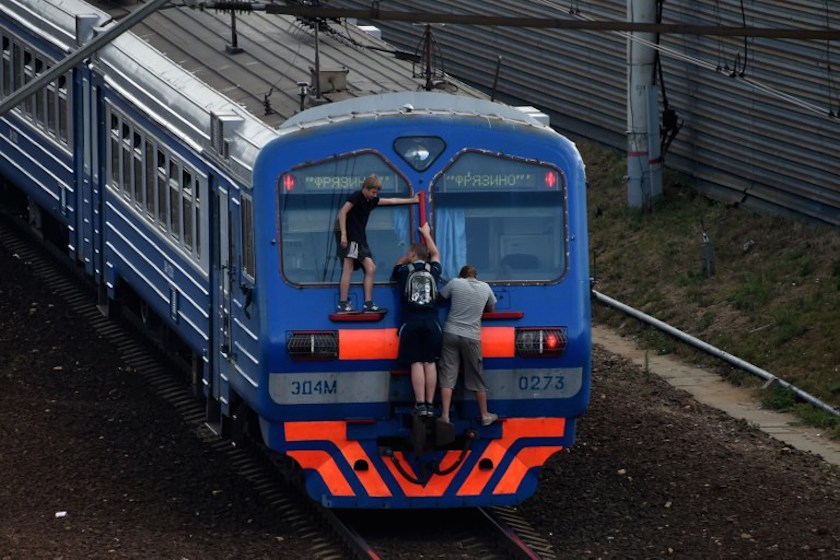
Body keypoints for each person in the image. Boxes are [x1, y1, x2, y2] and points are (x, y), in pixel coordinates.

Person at [336, 174, 418, 312]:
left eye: (376, 192)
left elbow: (391, 201)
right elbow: (342, 212)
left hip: (361, 240)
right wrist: (344, 235)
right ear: (366, 189)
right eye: (373, 192)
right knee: (349, 268)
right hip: (353, 239)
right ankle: (344, 303)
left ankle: (367, 303)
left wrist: (412, 200)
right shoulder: (356, 197)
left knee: (370, 268)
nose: (375, 195)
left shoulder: (371, 201)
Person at [391, 223, 443, 417]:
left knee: (416, 363)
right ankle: (430, 404)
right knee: (430, 363)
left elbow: (397, 264)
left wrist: (408, 256)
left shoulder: (404, 271)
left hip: (411, 322)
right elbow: (436, 254)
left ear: (412, 254)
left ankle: (419, 403)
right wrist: (426, 234)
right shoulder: (433, 270)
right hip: (432, 322)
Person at [437, 264, 498, 426]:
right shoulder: (485, 288)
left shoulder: (455, 283)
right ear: (476, 276)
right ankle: (485, 415)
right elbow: (491, 309)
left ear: (462, 275)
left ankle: (444, 415)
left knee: (448, 373)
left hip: (450, 333)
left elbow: (439, 298)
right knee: (476, 375)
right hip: (471, 336)